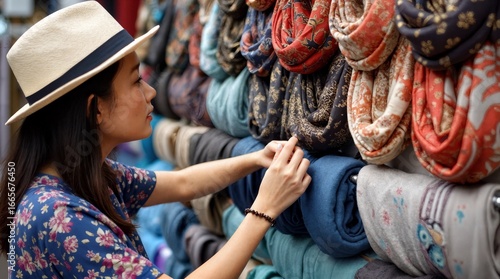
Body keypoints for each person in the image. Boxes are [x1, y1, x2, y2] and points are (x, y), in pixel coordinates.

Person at [0, 2, 311, 278]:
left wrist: (254, 160)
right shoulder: (60, 217)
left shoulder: (83, 177)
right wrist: (264, 209)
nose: (151, 93)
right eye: (136, 81)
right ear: (96, 108)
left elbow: (183, 184)